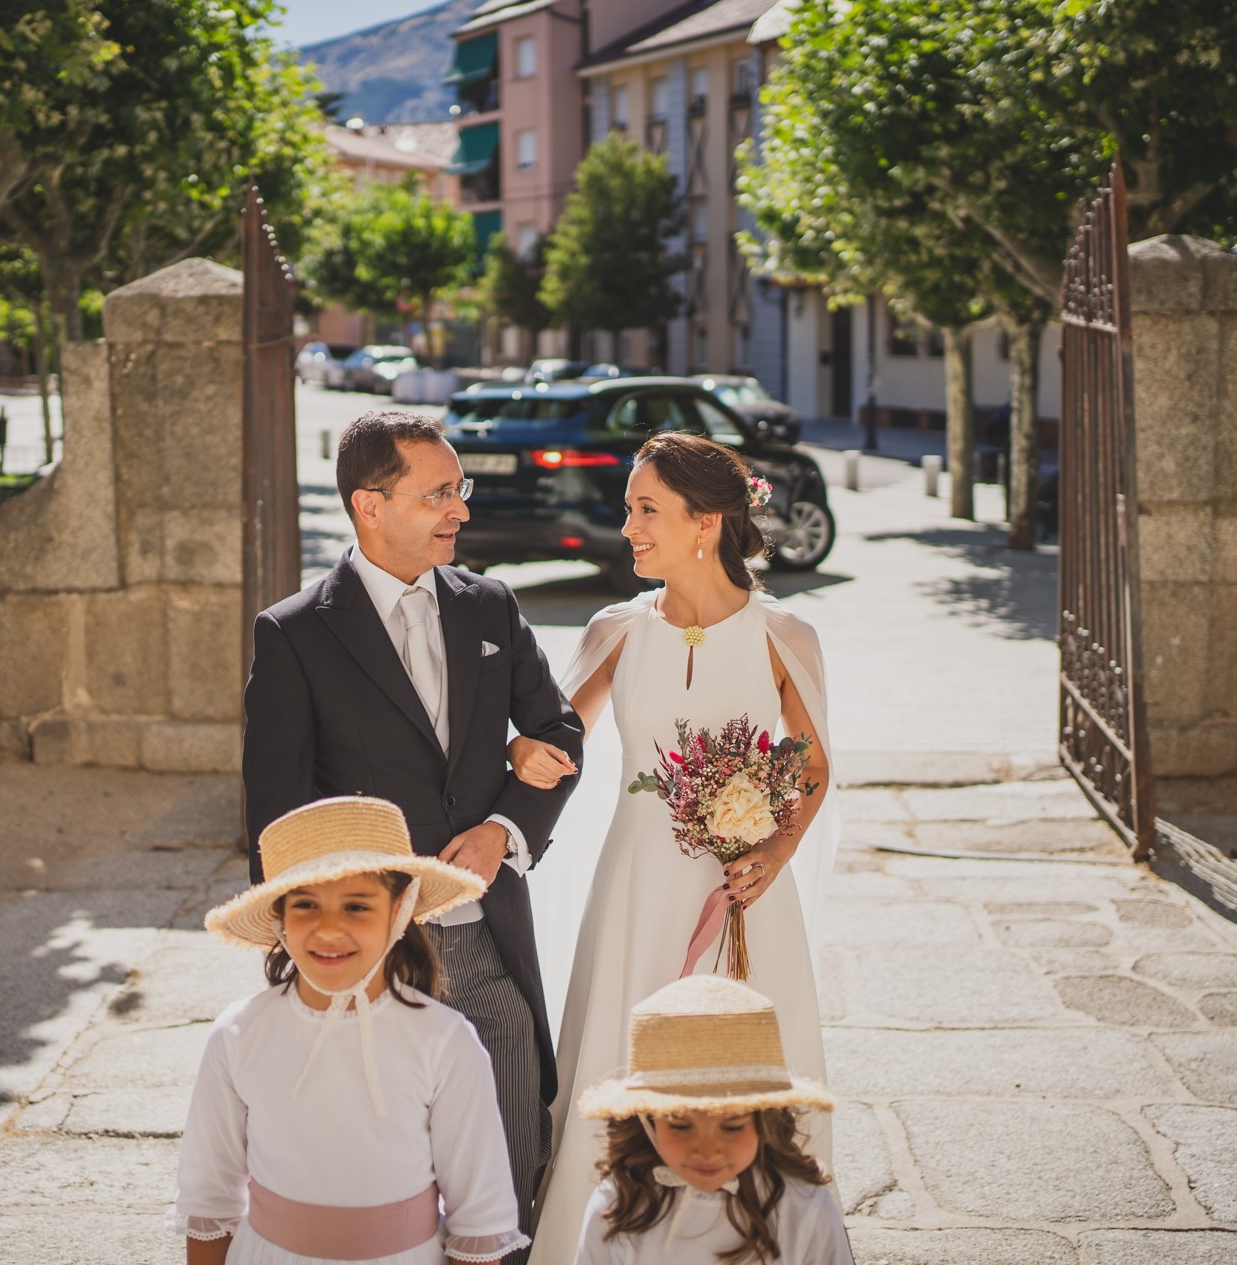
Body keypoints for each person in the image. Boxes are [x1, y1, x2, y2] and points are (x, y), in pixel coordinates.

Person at [241, 411, 585, 1260]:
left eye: (458, 489)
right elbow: (273, 819)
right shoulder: (292, 633)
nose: (458, 510)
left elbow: (561, 731)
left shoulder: (491, 606)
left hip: (491, 953)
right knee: (387, 1187)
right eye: (436, 494)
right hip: (372, 964)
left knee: (506, 1183)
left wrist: (505, 828)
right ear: (369, 505)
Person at [525, 432, 837, 1262]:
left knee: (743, 1060)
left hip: (744, 894)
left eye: (645, 509)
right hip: (637, 884)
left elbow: (809, 768)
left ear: (706, 521)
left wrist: (773, 850)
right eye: (630, 509)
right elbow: (556, 741)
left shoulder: (784, 633)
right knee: (623, 1045)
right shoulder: (618, 629)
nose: (627, 525)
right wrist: (519, 754)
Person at [170, 796, 530, 1264]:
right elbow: (208, 1198)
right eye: (305, 905)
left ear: (399, 909)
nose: (328, 929)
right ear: (279, 916)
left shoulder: (445, 1042)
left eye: (357, 906)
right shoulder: (238, 1035)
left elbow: (478, 1215)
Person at [570, 976, 848, 1264]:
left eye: (732, 1126)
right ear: (647, 1121)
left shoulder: (804, 1209)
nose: (706, 1150)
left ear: (764, 1119)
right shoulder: (618, 1205)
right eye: (679, 1125)